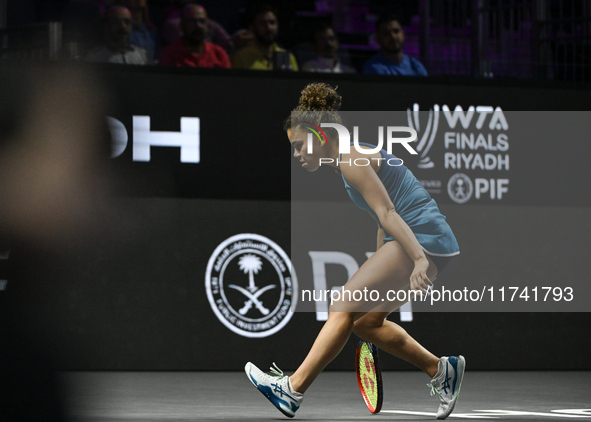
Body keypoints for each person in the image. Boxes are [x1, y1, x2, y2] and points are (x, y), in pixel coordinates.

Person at [244, 83, 464, 420]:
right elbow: (382, 221)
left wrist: (419, 258)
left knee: (341, 306)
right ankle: (440, 370)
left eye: (301, 145)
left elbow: (390, 213)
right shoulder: (349, 158)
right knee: (365, 322)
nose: (298, 155)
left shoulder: (351, 160)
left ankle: (292, 389)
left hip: (425, 238)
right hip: (427, 241)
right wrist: (379, 261)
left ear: (319, 135)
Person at [159, 4, 230, 68]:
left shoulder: (218, 53)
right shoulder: (169, 54)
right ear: (182, 26)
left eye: (202, 21)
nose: (198, 26)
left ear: (207, 26)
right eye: (192, 22)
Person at [231, 4, 298, 71]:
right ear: (253, 27)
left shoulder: (288, 57)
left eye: (272, 22)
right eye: (263, 23)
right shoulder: (241, 57)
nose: (268, 28)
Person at [363, 15, 428, 76]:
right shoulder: (373, 67)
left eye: (396, 31)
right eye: (386, 33)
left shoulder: (415, 66)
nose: (393, 37)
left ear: (402, 35)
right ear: (378, 39)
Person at [86, 5, 151, 65]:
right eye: (116, 21)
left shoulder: (142, 55)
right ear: (107, 25)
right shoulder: (95, 57)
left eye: (127, 21)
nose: (123, 26)